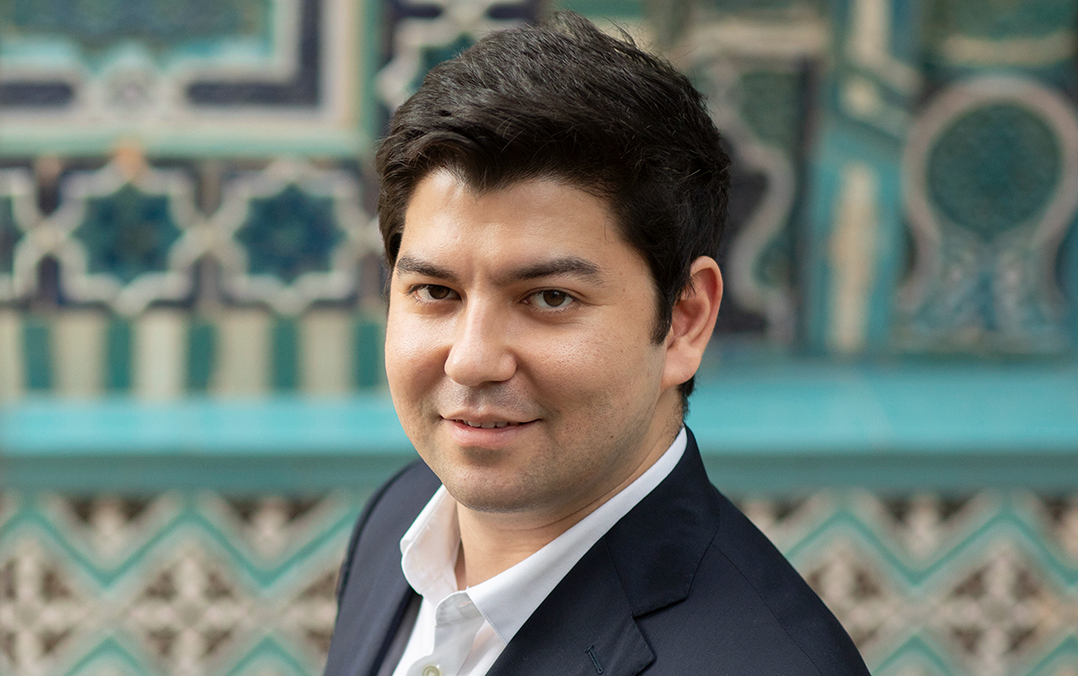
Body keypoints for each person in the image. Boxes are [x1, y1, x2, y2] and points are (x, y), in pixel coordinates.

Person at [324, 12, 870, 676]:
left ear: (685, 319)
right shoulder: (402, 516)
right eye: (436, 292)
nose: (471, 359)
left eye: (549, 298)